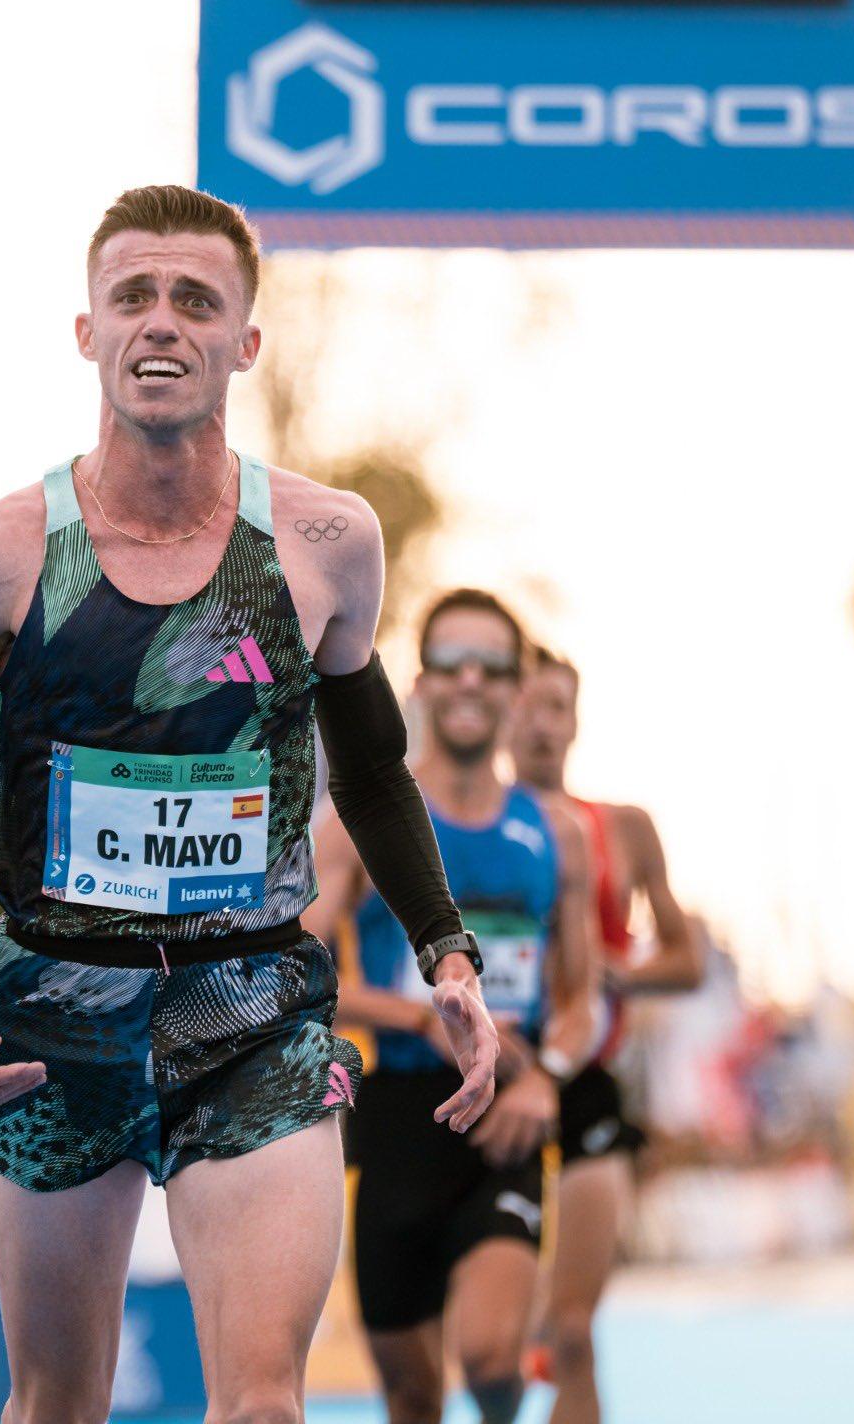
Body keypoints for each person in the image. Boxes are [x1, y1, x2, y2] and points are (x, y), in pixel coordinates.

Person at [0, 185, 499, 1424]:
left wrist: (447, 952)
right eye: (133, 297)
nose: (163, 323)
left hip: (251, 1003)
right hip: (51, 1015)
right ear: (88, 332)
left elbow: (373, 775)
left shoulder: (322, 541)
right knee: (56, 1402)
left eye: (196, 300)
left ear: (244, 342)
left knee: (262, 1404)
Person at [306, 589, 598, 1424]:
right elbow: (300, 975)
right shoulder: (354, 825)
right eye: (451, 663)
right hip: (397, 1120)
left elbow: (580, 1001)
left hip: (508, 1115)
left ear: (517, 687)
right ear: (422, 681)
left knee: (493, 1360)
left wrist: (548, 1081)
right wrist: (418, 1015)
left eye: (493, 667)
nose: (471, 681)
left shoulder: (556, 834)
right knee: (411, 1395)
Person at [509, 652, 703, 1424]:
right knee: (498, 1342)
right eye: (528, 704)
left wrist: (615, 974)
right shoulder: (459, 825)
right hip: (487, 1085)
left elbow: (688, 960)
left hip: (585, 1083)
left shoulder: (623, 828)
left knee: (574, 1328)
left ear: (576, 722)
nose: (542, 722)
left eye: (557, 706)